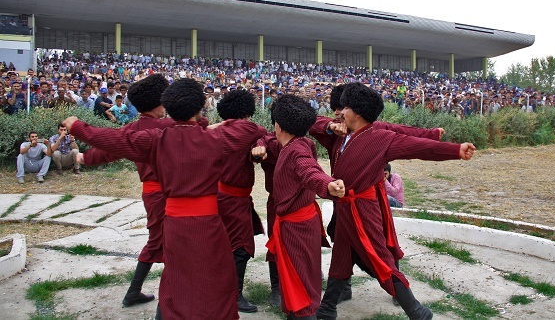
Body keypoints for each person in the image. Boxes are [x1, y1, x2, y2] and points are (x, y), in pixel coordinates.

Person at [64, 78, 264, 320]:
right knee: (216, 279)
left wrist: (77, 127)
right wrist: (210, 124)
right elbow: (250, 129)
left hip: (174, 220)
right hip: (209, 221)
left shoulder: (155, 139)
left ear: (167, 106)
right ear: (200, 106)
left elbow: (114, 140)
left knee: (174, 276)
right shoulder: (215, 139)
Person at [310, 82, 475, 320]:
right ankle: (327, 310)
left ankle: (418, 312)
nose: (339, 112)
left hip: (363, 211)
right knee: (341, 257)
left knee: (380, 258)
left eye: (344, 108)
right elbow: (312, 123)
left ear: (356, 112)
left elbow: (418, 147)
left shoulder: (381, 137)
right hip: (345, 208)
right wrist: (329, 125)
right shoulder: (340, 136)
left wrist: (455, 150)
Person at [76, 74, 177, 310]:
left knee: (158, 240)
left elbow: (110, 150)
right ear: (159, 102)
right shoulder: (167, 127)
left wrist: (85, 157)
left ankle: (134, 292)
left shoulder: (132, 128)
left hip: (151, 193)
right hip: (166, 194)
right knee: (165, 243)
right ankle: (162, 300)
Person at [253, 94, 345, 319]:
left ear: (278, 124)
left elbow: (309, 170)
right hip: (300, 223)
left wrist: (327, 185)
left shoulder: (295, 150)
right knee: (297, 282)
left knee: (301, 285)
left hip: (297, 228)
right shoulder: (302, 142)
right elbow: (266, 140)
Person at [215, 89, 267, 313]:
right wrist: (262, 143)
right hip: (234, 199)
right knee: (242, 248)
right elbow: (265, 134)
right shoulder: (251, 129)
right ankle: (233, 296)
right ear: (248, 110)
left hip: (216, 194)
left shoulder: (218, 130)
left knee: (222, 244)